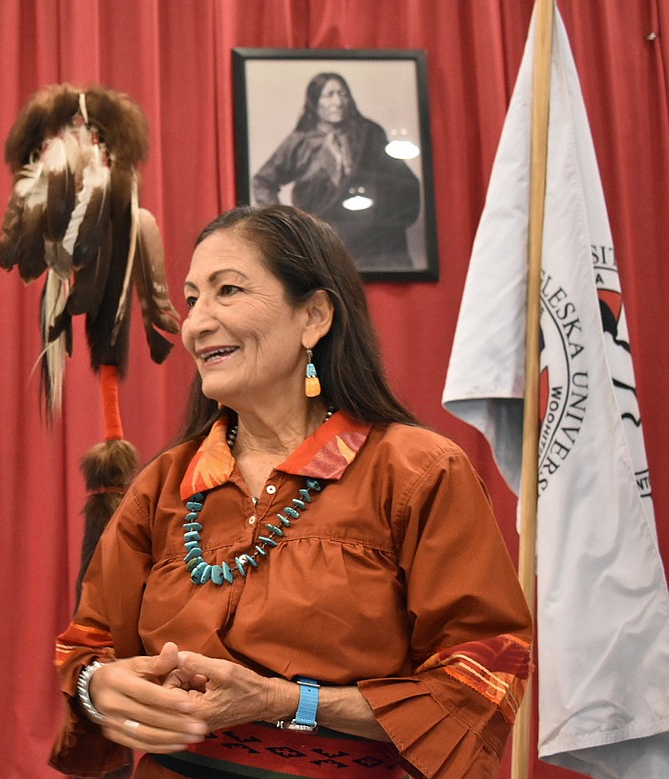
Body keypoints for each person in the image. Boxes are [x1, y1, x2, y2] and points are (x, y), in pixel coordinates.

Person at [49, 204, 532, 779]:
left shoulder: (417, 472)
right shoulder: (162, 486)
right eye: (193, 297)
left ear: (315, 317)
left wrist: (288, 702)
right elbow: (86, 647)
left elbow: (482, 676)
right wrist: (99, 685)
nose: (196, 323)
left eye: (227, 291)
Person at [252, 73, 422, 272]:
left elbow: (402, 181)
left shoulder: (370, 134)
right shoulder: (299, 142)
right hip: (322, 243)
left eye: (343, 94)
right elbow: (263, 181)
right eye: (329, 95)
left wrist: (385, 221)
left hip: (373, 245)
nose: (338, 102)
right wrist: (285, 227)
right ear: (314, 101)